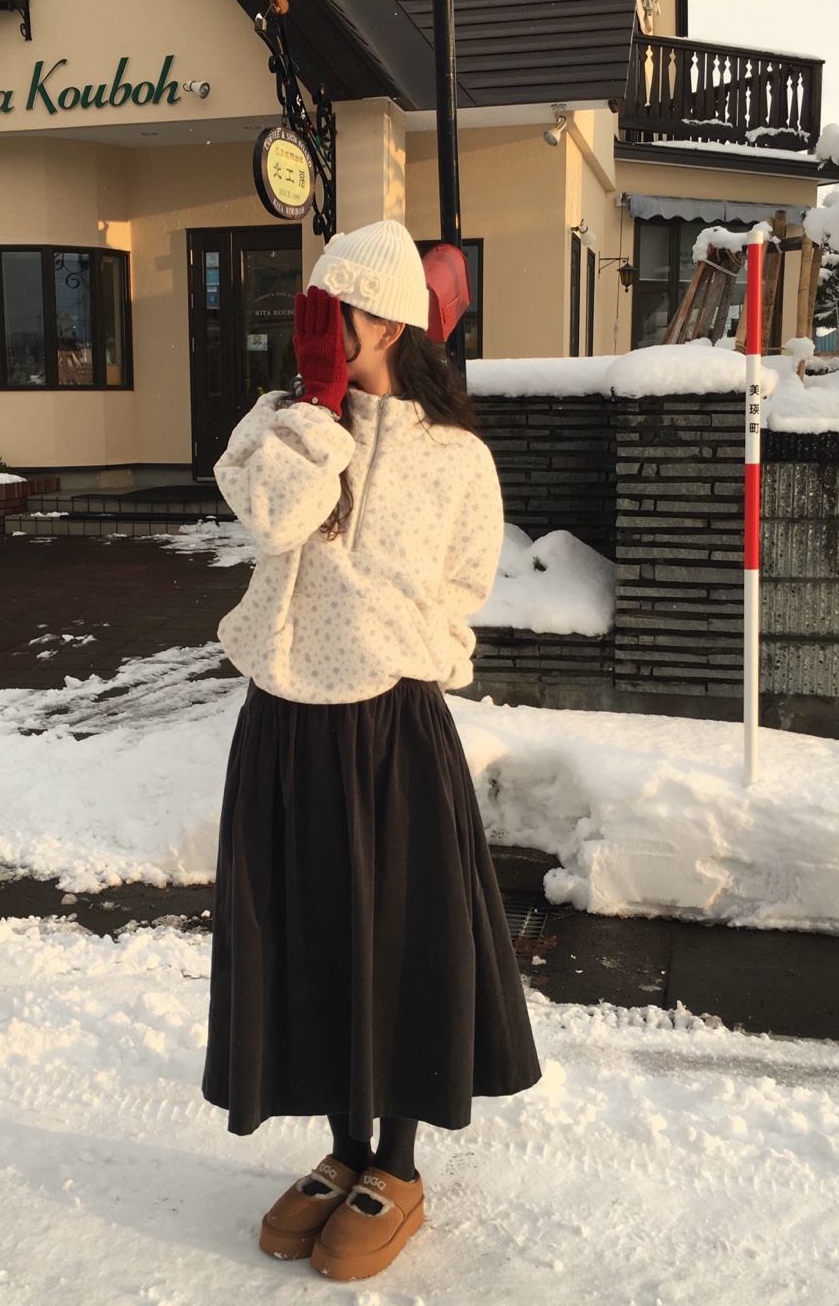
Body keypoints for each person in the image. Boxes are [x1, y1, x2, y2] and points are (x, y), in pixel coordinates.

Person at [202, 219, 541, 1282]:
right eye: (308, 311)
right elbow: (272, 520)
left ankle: (395, 1163)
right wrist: (315, 406)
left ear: (386, 322)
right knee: (307, 932)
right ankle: (343, 1147)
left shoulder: (456, 456)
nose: (313, 328)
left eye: (331, 312)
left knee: (396, 938)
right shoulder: (281, 425)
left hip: (392, 726)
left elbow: (463, 585)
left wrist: (388, 629)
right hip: (282, 721)